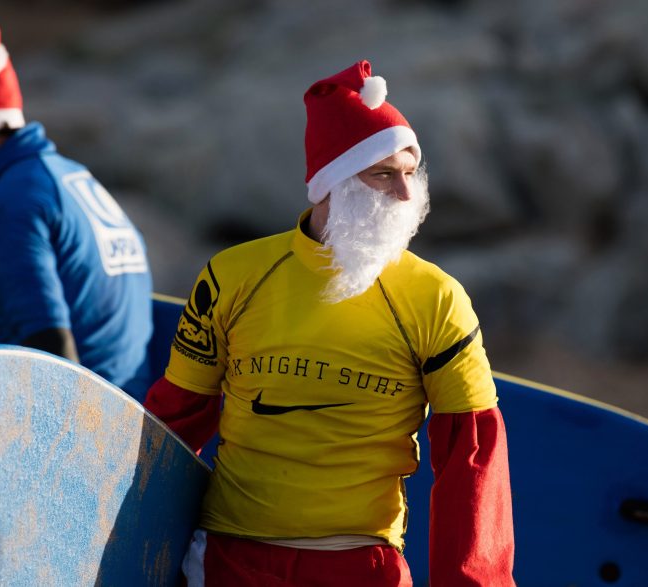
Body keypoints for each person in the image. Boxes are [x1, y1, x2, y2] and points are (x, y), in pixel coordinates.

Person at [145, 60, 515, 586]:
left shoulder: (437, 297)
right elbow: (173, 424)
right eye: (383, 174)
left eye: (411, 171)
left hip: (361, 566)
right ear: (330, 186)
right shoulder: (232, 276)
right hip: (229, 561)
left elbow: (472, 457)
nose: (406, 195)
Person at [0, 11, 154, 400]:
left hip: (92, 433)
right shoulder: (73, 178)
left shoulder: (9, 206)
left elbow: (50, 355)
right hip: (137, 417)